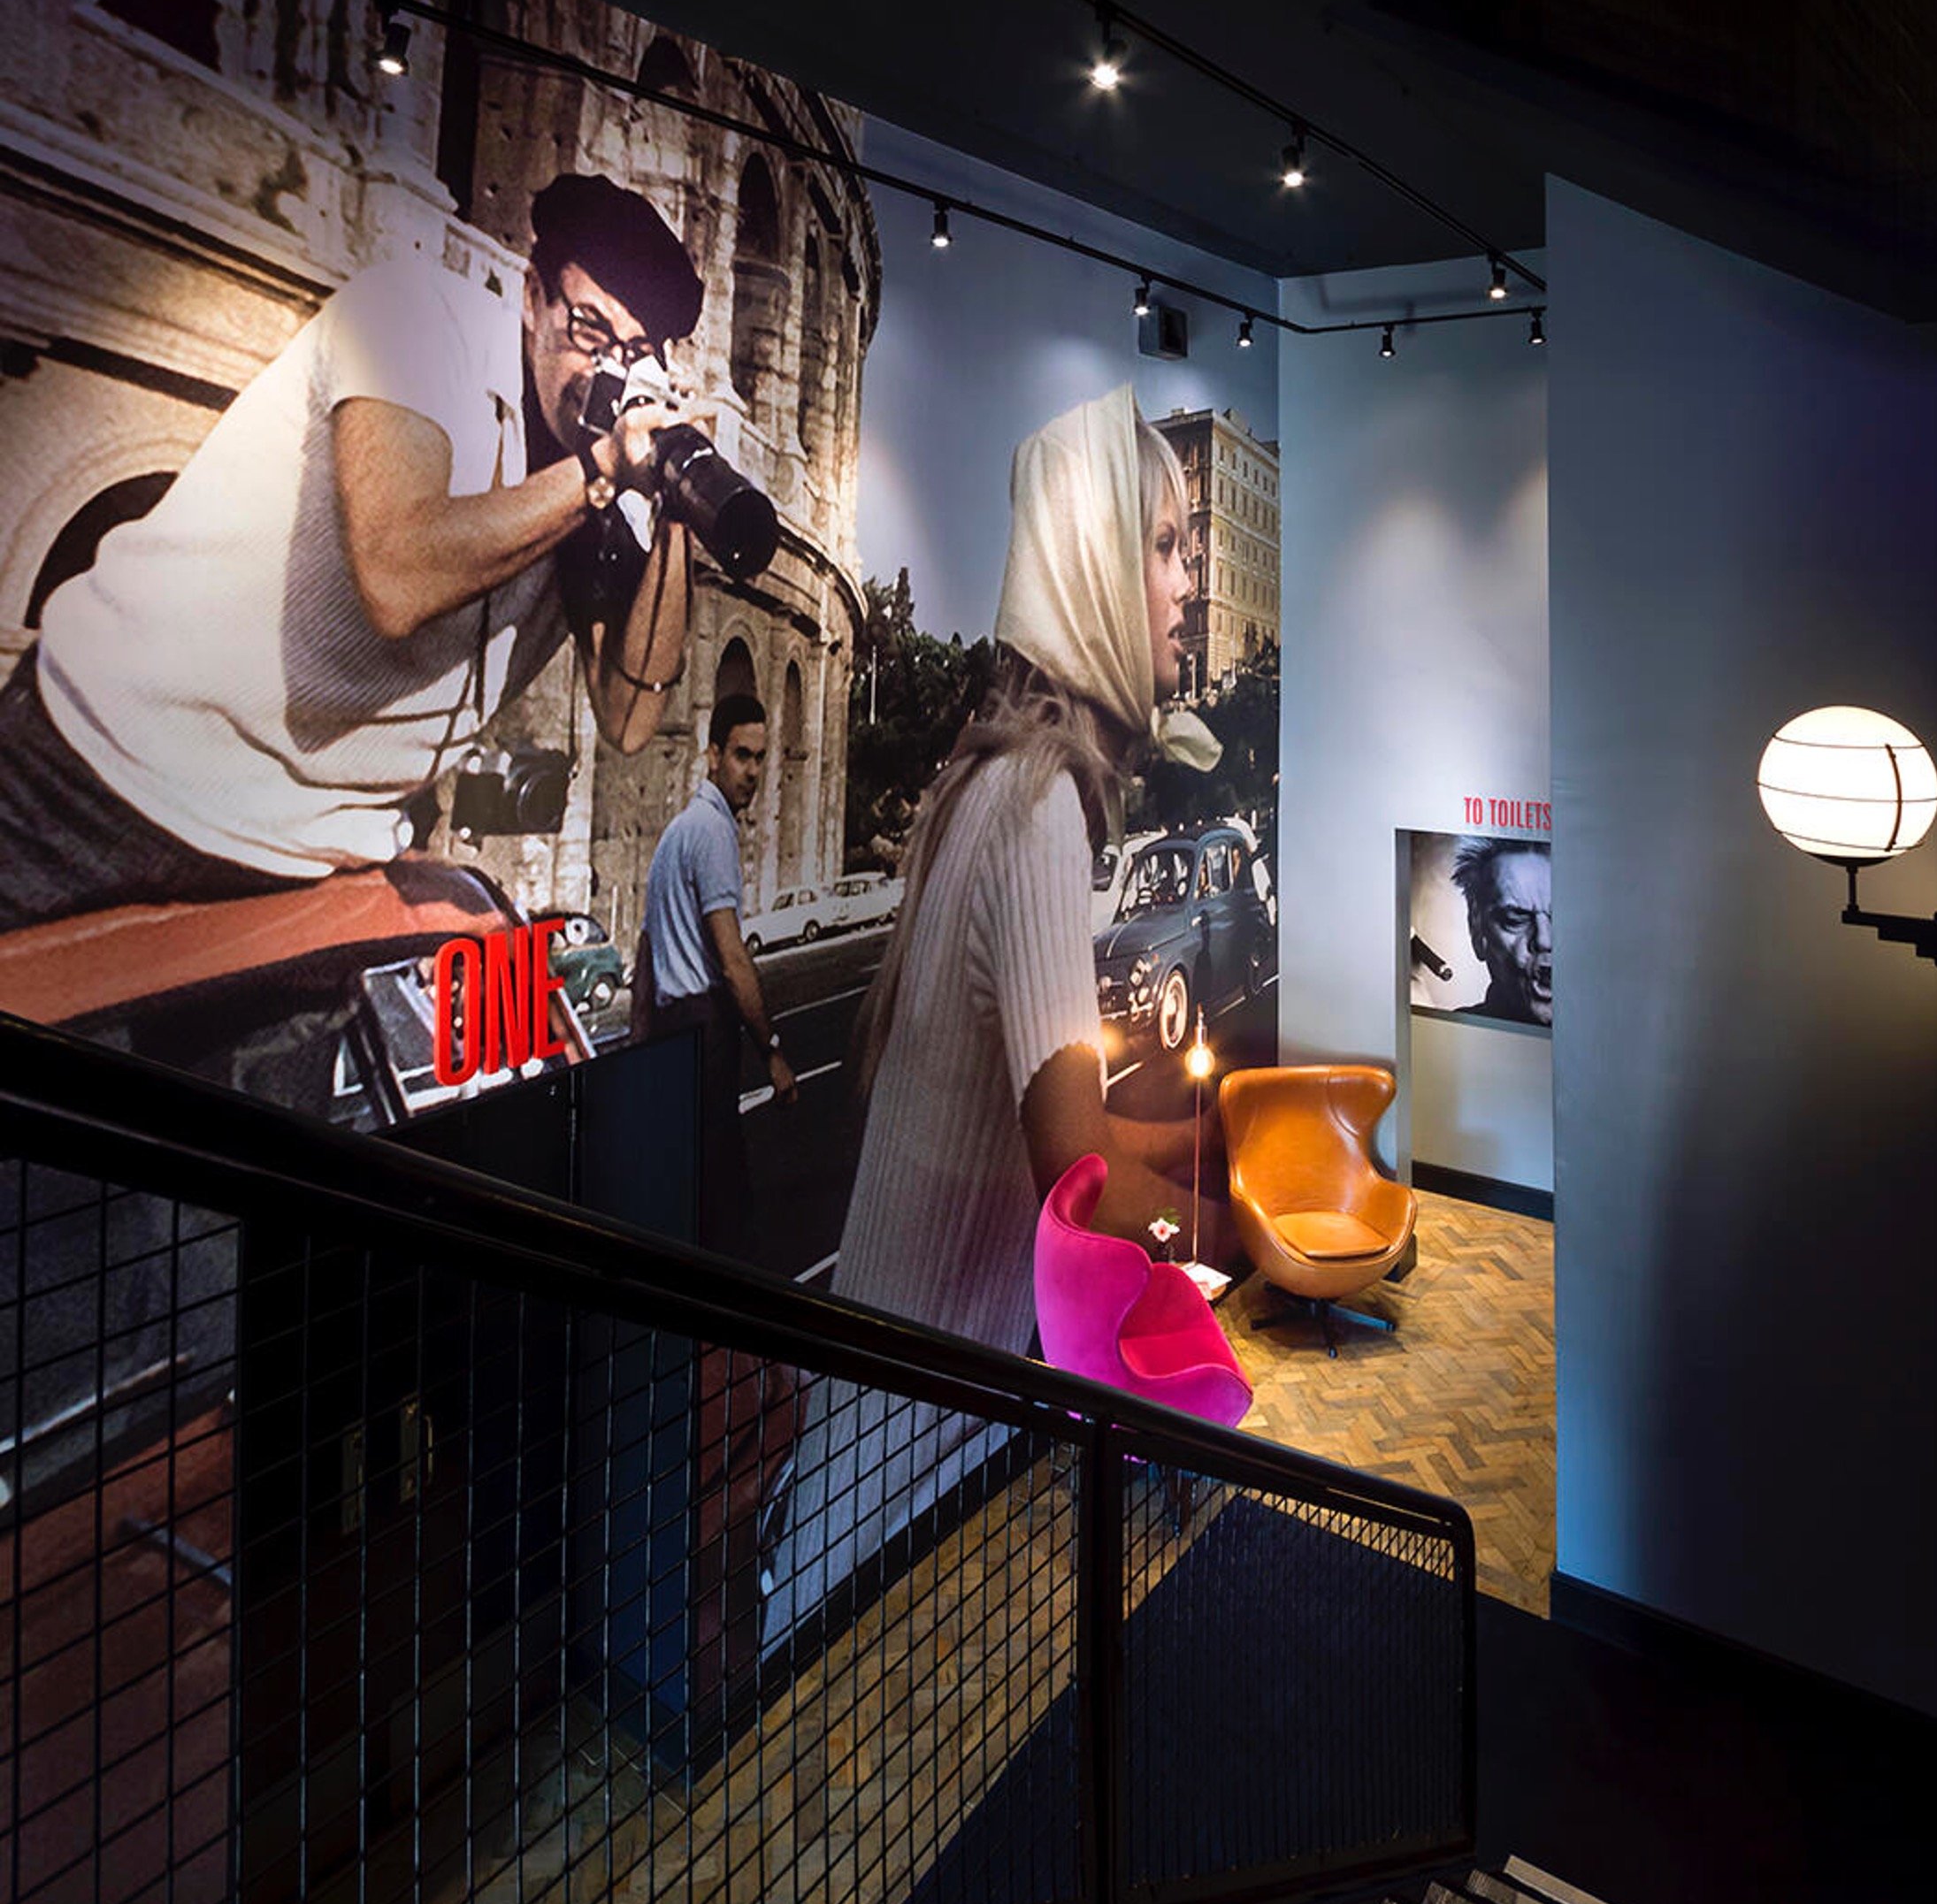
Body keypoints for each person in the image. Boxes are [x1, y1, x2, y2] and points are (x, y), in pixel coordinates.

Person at [762, 381, 1229, 1643]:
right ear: (1090, 569)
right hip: (885, 1518)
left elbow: (1058, 1144)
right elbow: (1081, 1179)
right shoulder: (1038, 809)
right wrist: (1234, 1222)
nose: (1187, 580)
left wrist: (1206, 1139)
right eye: (1163, 545)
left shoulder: (999, 787)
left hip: (878, 1480)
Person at [0, 172, 710, 937]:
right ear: (533, 297)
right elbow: (397, 577)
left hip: (303, 866)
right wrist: (600, 472)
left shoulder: (597, 488)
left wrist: (679, 499)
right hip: (93, 775)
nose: (604, 371)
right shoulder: (416, 318)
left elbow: (631, 716)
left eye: (635, 352)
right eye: (590, 330)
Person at [632, 692, 798, 1251]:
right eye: (741, 755)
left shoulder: (678, 832)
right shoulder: (713, 832)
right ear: (712, 756)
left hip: (671, 1030)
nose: (752, 771)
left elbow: (647, 951)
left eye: (760, 758)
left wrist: (640, 1045)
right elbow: (732, 960)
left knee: (686, 1191)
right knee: (723, 1206)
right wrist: (771, 1050)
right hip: (705, 1029)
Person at [1451, 838, 1553, 1025]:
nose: (1544, 940)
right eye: (1516, 919)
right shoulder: (1453, 1029)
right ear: (1476, 930)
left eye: (1561, 921)